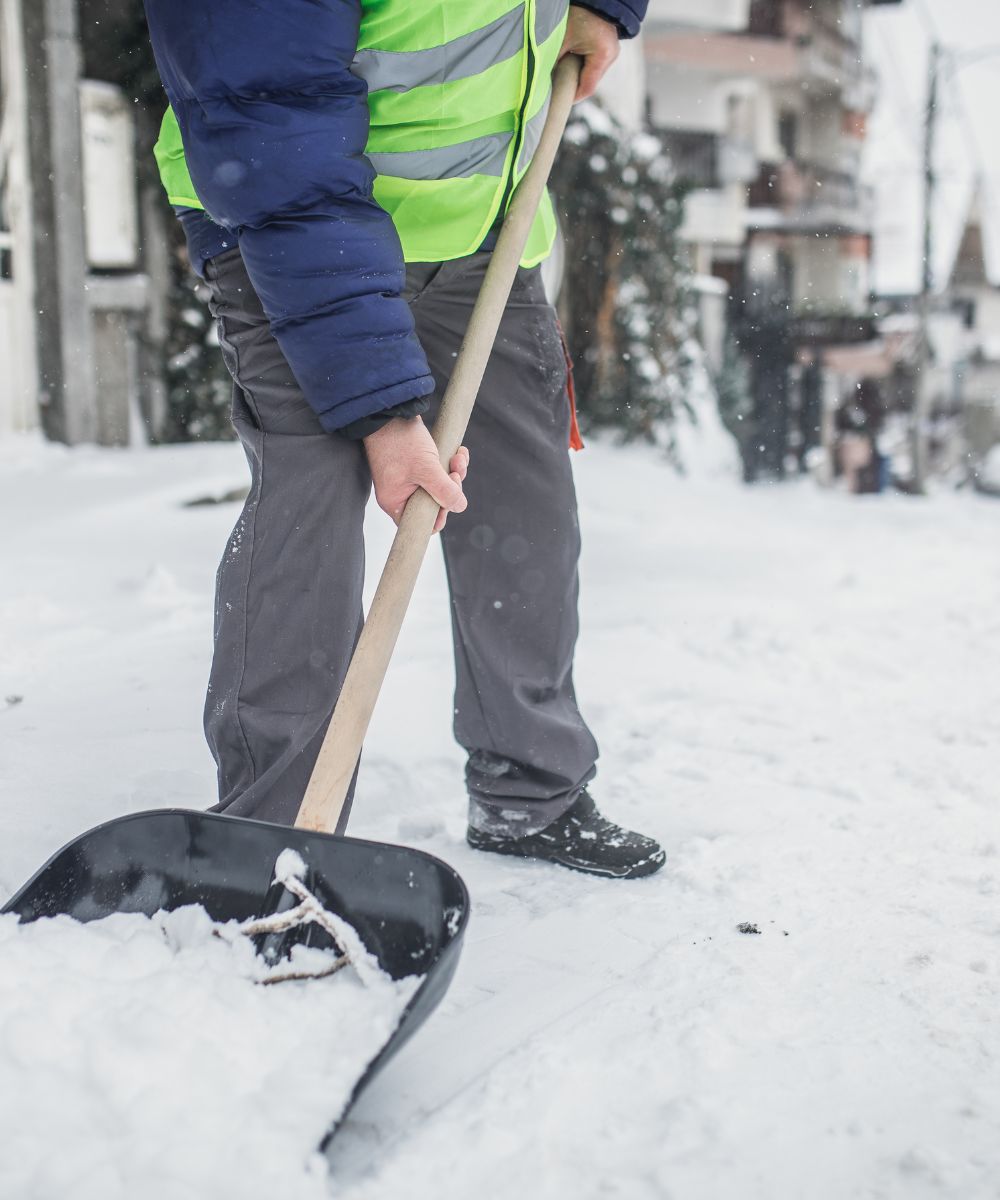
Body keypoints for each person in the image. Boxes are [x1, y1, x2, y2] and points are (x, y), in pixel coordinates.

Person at [143, 0, 665, 880]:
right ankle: (273, 831)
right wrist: (384, 416)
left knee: (524, 511)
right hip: (286, 236)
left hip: (484, 229)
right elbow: (273, 128)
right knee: (308, 510)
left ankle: (529, 789)